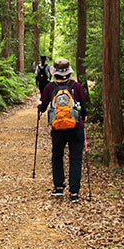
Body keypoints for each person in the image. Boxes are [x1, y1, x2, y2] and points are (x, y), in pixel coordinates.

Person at [37, 58, 90, 203]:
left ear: (54, 72)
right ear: (68, 71)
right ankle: (74, 192)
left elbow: (43, 107)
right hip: (76, 127)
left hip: (58, 128)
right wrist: (83, 117)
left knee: (57, 156)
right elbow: (83, 109)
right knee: (75, 158)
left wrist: (39, 108)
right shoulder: (76, 86)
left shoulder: (49, 87)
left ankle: (59, 187)